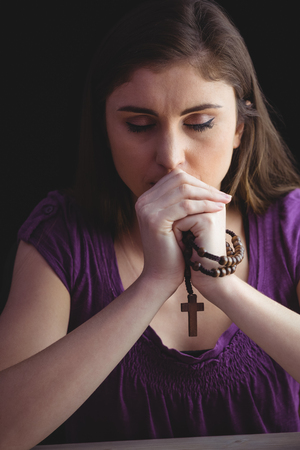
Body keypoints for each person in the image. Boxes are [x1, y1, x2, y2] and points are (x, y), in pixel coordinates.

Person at [0, 0, 300, 447]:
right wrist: (153, 282)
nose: (171, 157)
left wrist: (220, 282)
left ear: (239, 127)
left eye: (199, 123)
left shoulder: (290, 223)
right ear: (105, 127)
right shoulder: (60, 234)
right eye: (139, 126)